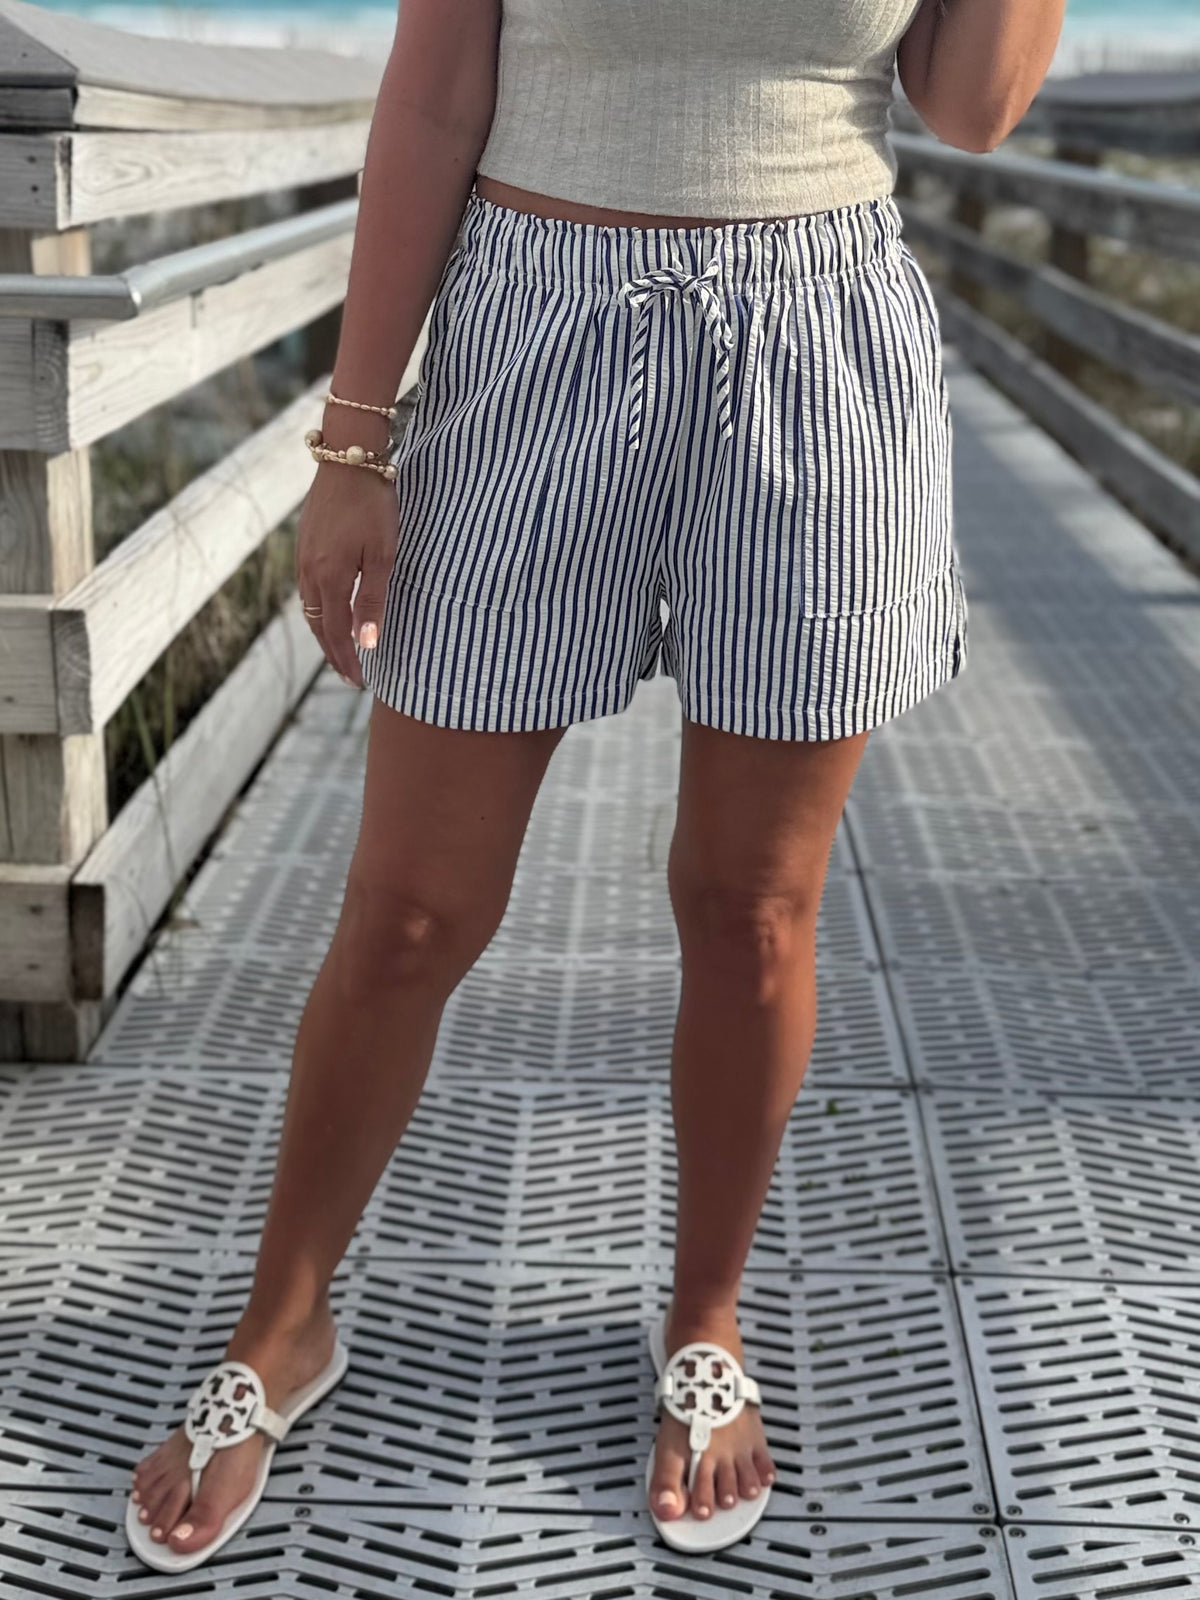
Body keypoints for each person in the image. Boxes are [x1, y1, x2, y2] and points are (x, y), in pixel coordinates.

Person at [127, 0, 1066, 1569]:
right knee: (414, 911)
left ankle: (707, 1315)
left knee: (753, 907)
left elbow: (970, 110)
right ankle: (283, 1323)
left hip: (815, 352)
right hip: (531, 333)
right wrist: (353, 443)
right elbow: (432, 98)